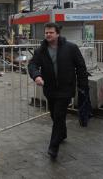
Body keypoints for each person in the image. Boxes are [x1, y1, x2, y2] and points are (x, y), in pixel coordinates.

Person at [28, 22, 88, 159]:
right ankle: (63, 133)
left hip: (66, 88)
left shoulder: (71, 48)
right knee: (54, 115)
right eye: (46, 33)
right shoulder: (41, 50)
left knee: (59, 115)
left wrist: (83, 86)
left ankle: (53, 146)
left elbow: (81, 67)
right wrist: (36, 75)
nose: (48, 35)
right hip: (50, 89)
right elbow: (32, 65)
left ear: (58, 34)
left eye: (51, 32)